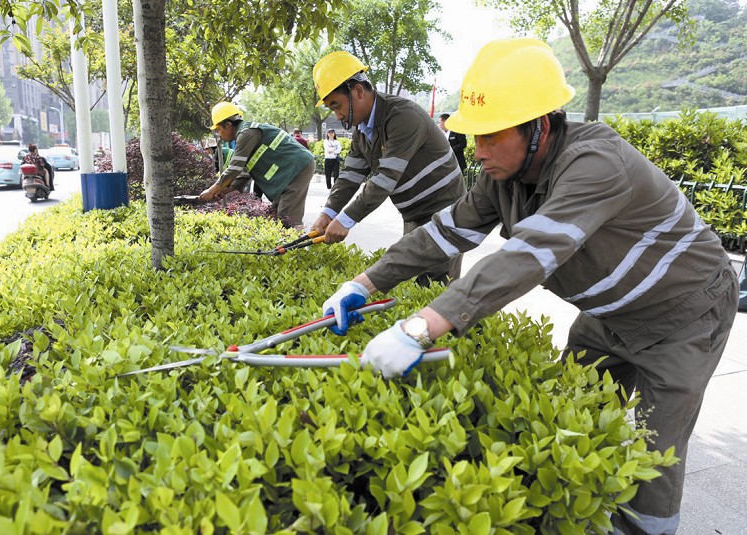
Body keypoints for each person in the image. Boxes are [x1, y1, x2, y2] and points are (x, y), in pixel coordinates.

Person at [320, 38, 738, 535]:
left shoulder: (596, 162)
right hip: (608, 317)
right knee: (567, 419)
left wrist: (420, 326)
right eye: (475, 138)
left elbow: (532, 253)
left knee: (654, 451)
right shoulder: (502, 175)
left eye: (491, 136)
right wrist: (363, 282)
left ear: (538, 126)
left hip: (685, 314)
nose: (479, 152)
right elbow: (444, 231)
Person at [311, 50, 465, 287]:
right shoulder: (361, 131)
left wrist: (346, 220)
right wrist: (327, 214)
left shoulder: (403, 116)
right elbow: (350, 176)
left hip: (443, 210)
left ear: (358, 91)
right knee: (416, 284)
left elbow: (385, 179)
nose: (337, 114)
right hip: (414, 213)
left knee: (436, 288)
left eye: (337, 105)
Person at [199, 102, 315, 227]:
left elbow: (234, 169)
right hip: (291, 170)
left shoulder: (246, 133)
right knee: (275, 215)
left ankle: (297, 243)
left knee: (287, 219)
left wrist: (212, 190)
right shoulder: (245, 135)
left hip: (297, 167)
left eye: (218, 130)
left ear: (228, 125)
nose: (219, 134)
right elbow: (243, 174)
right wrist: (223, 190)